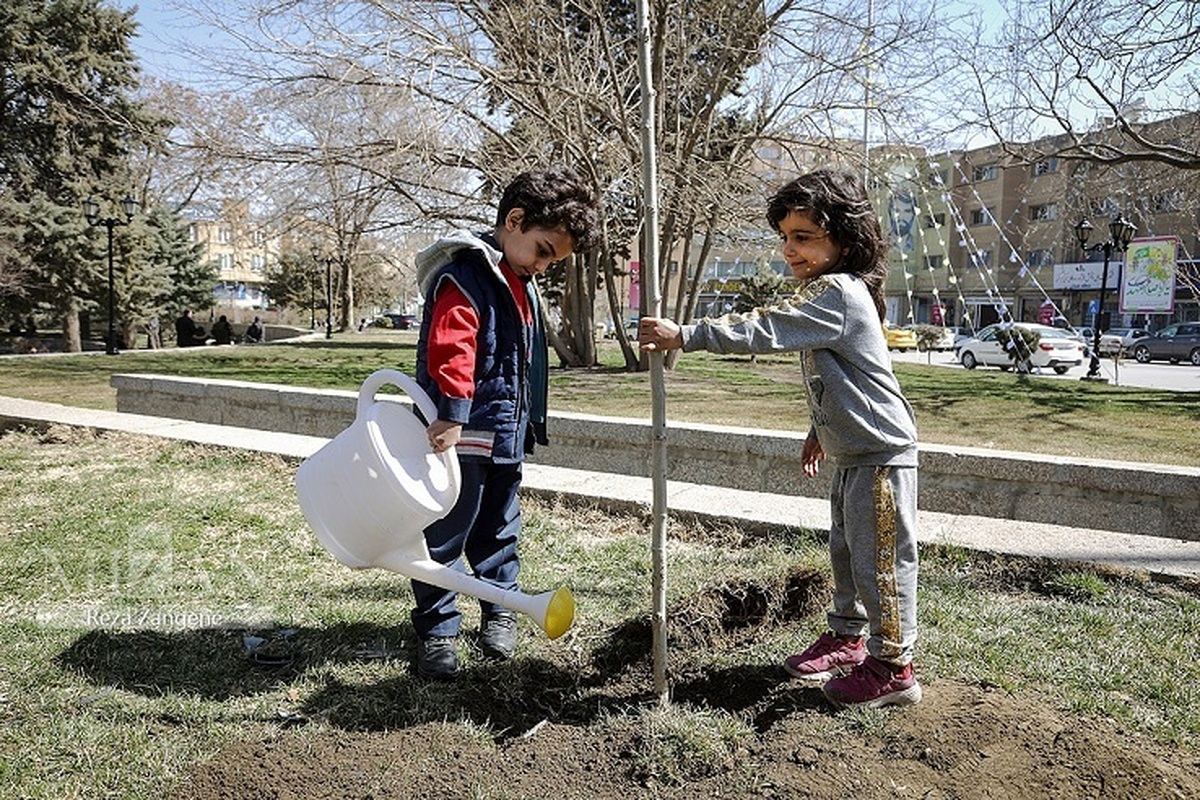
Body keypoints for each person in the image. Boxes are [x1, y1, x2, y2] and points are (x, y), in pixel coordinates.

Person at [638, 168, 922, 708]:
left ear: (845, 238)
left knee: (879, 560)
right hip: (854, 450)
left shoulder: (837, 290)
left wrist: (689, 334)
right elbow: (843, 374)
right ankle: (846, 637)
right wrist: (820, 429)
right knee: (846, 551)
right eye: (785, 237)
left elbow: (764, 326)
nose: (789, 250)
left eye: (804, 237)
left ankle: (893, 667)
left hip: (881, 455)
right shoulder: (828, 290)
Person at [411, 165, 600, 680]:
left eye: (554, 260)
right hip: (459, 435)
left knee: (499, 528)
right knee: (445, 534)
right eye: (543, 250)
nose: (544, 266)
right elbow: (453, 345)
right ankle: (437, 629)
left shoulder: (519, 280)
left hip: (502, 433)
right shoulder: (467, 275)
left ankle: (501, 609)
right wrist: (451, 412)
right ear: (514, 220)